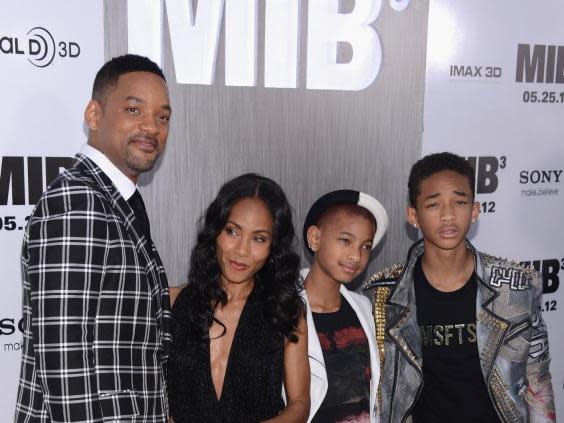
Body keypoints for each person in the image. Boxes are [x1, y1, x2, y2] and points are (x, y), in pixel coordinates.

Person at [15, 54, 173, 423]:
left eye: (162, 117)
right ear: (94, 115)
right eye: (134, 110)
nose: (151, 126)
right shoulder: (79, 202)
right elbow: (64, 356)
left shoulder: (115, 200)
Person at [364, 152, 556, 422]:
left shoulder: (517, 289)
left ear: (475, 210)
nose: (448, 215)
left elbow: (538, 382)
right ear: (413, 215)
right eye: (433, 205)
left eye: (459, 202)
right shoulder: (383, 295)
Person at [168, 173, 310, 423]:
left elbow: (299, 405)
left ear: (273, 247)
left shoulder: (285, 310)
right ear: (215, 231)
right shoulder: (172, 302)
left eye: (258, 238)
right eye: (232, 231)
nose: (241, 251)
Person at [301, 190, 388, 423]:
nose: (356, 256)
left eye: (366, 246)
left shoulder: (364, 308)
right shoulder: (282, 310)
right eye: (345, 240)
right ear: (315, 238)